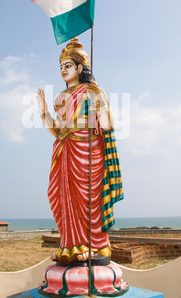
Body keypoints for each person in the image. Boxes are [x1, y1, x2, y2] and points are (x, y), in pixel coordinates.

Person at [37, 38, 124, 263]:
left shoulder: (94, 92)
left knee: (90, 199)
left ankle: (97, 245)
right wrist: (43, 112)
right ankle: (70, 245)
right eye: (61, 67)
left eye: (68, 66)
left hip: (88, 151)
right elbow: (58, 131)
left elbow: (106, 126)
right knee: (59, 196)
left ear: (79, 67)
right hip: (65, 150)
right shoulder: (61, 98)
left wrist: (100, 107)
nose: (63, 70)